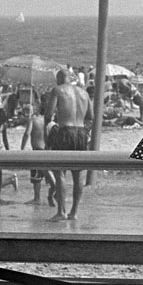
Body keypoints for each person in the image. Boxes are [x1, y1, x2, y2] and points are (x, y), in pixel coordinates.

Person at [44, 69, 93, 221]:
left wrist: (51, 129)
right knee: (78, 174)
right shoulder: (84, 93)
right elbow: (91, 117)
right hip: (81, 133)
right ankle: (74, 212)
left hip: (65, 131)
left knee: (60, 173)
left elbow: (48, 115)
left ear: (59, 78)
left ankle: (61, 212)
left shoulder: (58, 90)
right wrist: (85, 131)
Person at [21, 97, 56, 206]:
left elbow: (27, 133)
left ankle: (37, 198)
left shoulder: (33, 120)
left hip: (37, 150)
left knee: (36, 176)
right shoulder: (51, 122)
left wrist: (22, 148)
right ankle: (55, 191)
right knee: (48, 172)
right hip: (48, 150)